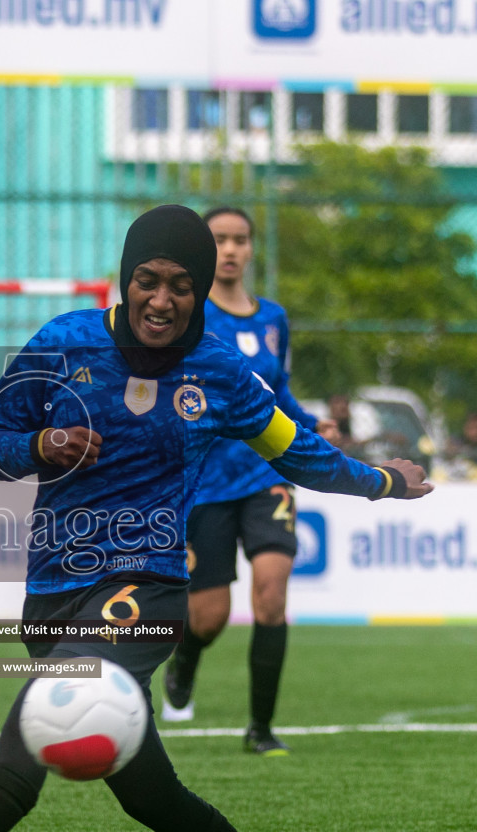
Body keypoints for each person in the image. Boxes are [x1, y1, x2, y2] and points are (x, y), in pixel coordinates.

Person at [0, 205, 431, 832]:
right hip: (52, 592)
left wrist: (381, 482)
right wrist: (43, 443)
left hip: (147, 586)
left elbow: (294, 450)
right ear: (125, 280)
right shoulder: (62, 343)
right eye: (147, 281)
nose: (162, 300)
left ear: (201, 291)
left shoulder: (224, 374)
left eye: (181, 286)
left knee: (49, 709)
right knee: (154, 796)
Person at [159, 206, 333, 755]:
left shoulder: (274, 319)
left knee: (271, 597)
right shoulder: (188, 314)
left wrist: (311, 425)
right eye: (220, 240)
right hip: (206, 482)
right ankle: (185, 659)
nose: (231, 250)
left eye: (240, 240)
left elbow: (276, 395)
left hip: (267, 475)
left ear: (252, 249)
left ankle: (260, 729)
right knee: (207, 618)